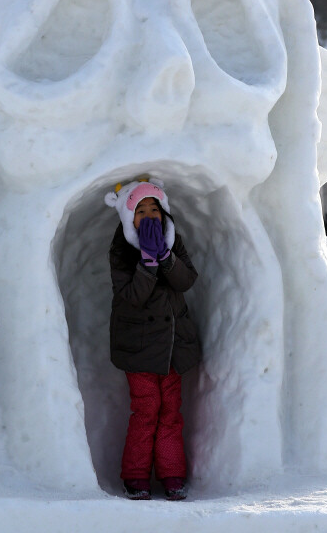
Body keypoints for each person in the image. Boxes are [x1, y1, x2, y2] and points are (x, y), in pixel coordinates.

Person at [104, 178, 201, 500]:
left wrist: (165, 257)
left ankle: (172, 475)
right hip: (141, 349)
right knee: (147, 411)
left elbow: (185, 281)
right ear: (128, 217)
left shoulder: (173, 242)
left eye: (154, 209)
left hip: (173, 347)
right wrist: (146, 263)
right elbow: (131, 297)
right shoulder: (121, 251)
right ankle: (135, 477)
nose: (148, 215)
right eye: (140, 209)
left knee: (170, 412)